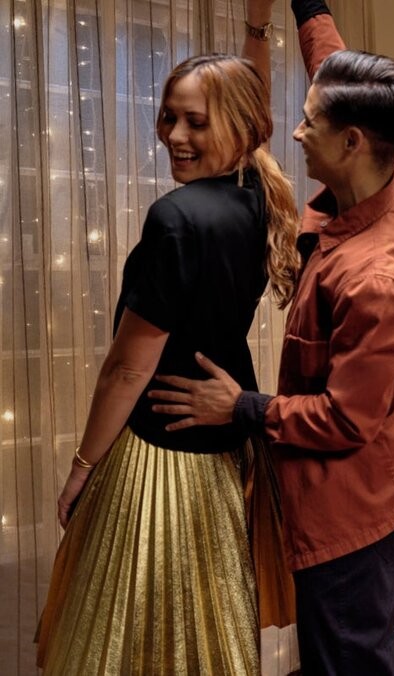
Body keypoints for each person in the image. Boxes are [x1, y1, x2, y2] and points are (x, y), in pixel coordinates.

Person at [150, 1, 394, 673]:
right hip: (380, 478)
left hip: (354, 507)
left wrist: (242, 408)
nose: (296, 131)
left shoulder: (379, 279)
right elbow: (329, 60)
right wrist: (305, 7)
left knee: (350, 660)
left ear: (353, 142)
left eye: (311, 121)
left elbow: (344, 418)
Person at [35, 50, 300, 674]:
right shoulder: (261, 200)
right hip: (226, 451)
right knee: (207, 632)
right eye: (167, 117)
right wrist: (257, 29)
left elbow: (128, 370)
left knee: (125, 643)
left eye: (196, 123)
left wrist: (81, 469)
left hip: (158, 454)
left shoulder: (176, 217)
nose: (174, 137)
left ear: (241, 128)